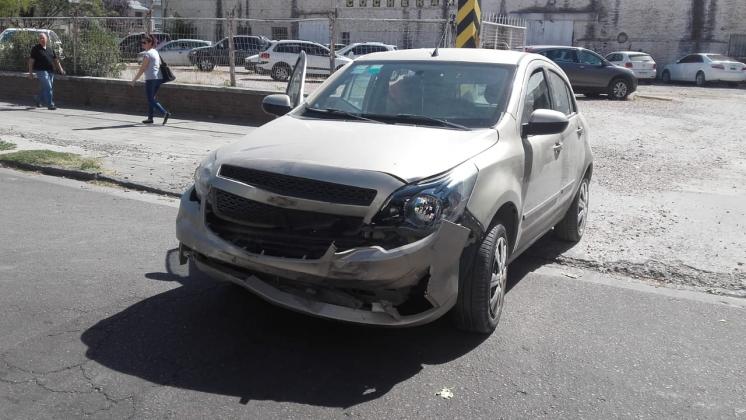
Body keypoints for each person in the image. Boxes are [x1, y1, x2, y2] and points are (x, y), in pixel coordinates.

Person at [131, 34, 171, 124]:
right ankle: (150, 118)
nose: (142, 44)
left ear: (150, 43)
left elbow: (142, 69)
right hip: (158, 78)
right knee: (152, 98)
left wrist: (134, 80)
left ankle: (165, 113)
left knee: (150, 99)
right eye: (141, 42)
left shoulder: (147, 54)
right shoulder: (155, 52)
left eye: (144, 42)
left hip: (151, 79)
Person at [27, 33, 64, 110]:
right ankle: (50, 104)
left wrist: (61, 69)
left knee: (45, 88)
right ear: (39, 40)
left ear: (46, 39)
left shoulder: (50, 49)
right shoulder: (35, 49)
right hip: (41, 71)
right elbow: (31, 61)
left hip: (50, 71)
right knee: (48, 87)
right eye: (40, 38)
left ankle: (38, 99)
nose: (42, 39)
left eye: (43, 38)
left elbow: (56, 60)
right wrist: (30, 73)